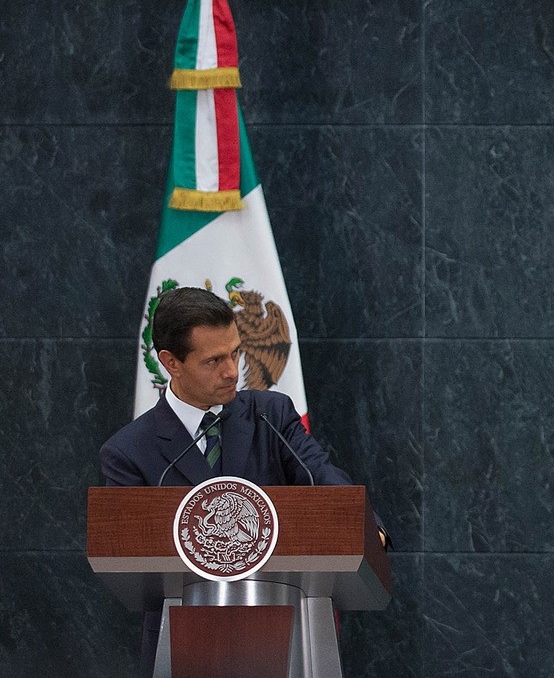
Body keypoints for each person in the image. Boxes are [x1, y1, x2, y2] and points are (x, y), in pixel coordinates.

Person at [100, 286, 383, 675]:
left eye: (235, 352)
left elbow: (319, 473)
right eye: (214, 360)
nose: (233, 370)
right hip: (185, 643)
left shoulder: (270, 415)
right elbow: (130, 559)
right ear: (171, 362)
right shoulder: (129, 452)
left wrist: (363, 525)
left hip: (286, 632)